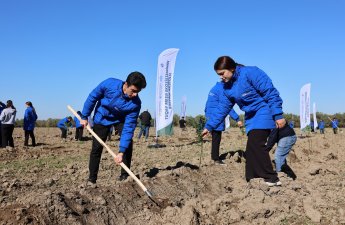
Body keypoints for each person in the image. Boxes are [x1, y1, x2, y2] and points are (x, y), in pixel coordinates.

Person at [202, 56, 285, 187]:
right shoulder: (227, 87)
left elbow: (270, 92)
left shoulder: (251, 73)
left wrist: (278, 114)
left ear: (231, 68)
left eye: (222, 73)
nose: (221, 77)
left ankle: (271, 178)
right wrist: (209, 126)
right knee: (251, 148)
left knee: (256, 143)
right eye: (218, 75)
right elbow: (222, 108)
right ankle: (252, 177)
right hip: (251, 116)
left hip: (263, 110)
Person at [79, 72, 146, 185]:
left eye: (138, 92)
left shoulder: (135, 104)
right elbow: (93, 97)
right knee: (96, 147)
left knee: (128, 145)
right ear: (126, 84)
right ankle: (92, 179)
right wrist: (85, 116)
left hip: (120, 119)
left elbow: (129, 127)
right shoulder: (109, 84)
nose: (135, 95)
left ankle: (125, 176)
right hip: (102, 117)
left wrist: (121, 151)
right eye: (133, 91)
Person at [205, 81, 242, 165]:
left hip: (211, 115)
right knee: (216, 138)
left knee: (215, 137)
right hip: (216, 115)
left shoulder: (214, 88)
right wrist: (237, 119)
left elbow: (207, 104)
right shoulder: (222, 89)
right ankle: (216, 159)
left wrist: (207, 115)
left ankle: (214, 157)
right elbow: (227, 106)